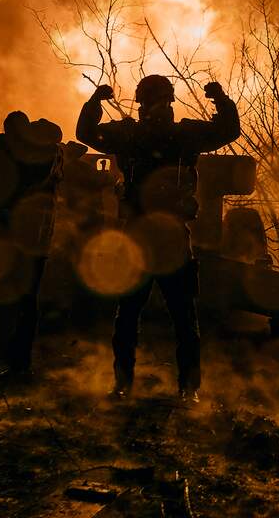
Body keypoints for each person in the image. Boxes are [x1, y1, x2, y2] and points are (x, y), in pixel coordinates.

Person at [76, 75, 241, 402]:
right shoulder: (180, 135)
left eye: (153, 101)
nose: (152, 108)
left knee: (159, 317)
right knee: (167, 317)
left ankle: (148, 386)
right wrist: (220, 100)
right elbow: (227, 130)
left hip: (154, 236)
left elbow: (86, 133)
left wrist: (95, 103)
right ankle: (175, 388)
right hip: (158, 237)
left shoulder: (137, 135)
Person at [0, 111, 63, 380]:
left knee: (17, 301)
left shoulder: (44, 155)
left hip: (22, 240)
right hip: (18, 240)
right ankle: (14, 360)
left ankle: (16, 362)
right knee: (13, 300)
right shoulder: (32, 154)